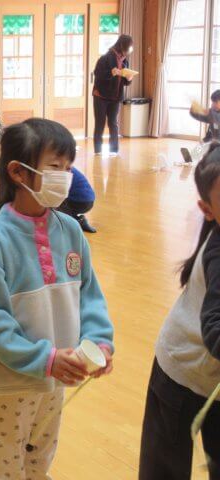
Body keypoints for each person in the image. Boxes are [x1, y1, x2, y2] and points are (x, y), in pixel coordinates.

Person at [0, 118, 114, 480]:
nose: (65, 176)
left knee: (40, 461)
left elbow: (90, 296)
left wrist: (99, 342)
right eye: (54, 167)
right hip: (9, 385)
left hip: (55, 380)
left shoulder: (71, 231)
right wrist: (43, 359)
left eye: (68, 167)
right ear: (18, 172)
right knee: (6, 467)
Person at [139, 145, 220, 479]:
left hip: (214, 379)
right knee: (164, 470)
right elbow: (214, 327)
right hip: (182, 372)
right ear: (207, 209)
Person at [92, 34, 134, 157]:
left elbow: (124, 81)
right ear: (122, 45)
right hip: (101, 95)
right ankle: (98, 150)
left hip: (115, 97)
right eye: (128, 47)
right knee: (100, 123)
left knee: (113, 123)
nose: (129, 50)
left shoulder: (124, 60)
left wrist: (129, 79)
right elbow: (97, 74)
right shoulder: (106, 57)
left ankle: (114, 150)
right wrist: (111, 73)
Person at [181, 90, 220, 163]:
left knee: (210, 157)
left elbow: (216, 119)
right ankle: (191, 158)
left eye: (216, 102)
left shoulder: (213, 114)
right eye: (213, 102)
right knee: (202, 145)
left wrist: (209, 113)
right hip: (214, 140)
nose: (213, 104)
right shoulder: (213, 112)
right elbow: (202, 117)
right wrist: (193, 110)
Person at [58, 166, 97, 233]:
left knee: (53, 203)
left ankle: (75, 222)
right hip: (89, 200)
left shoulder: (59, 169)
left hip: (78, 201)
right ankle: (79, 220)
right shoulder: (66, 166)